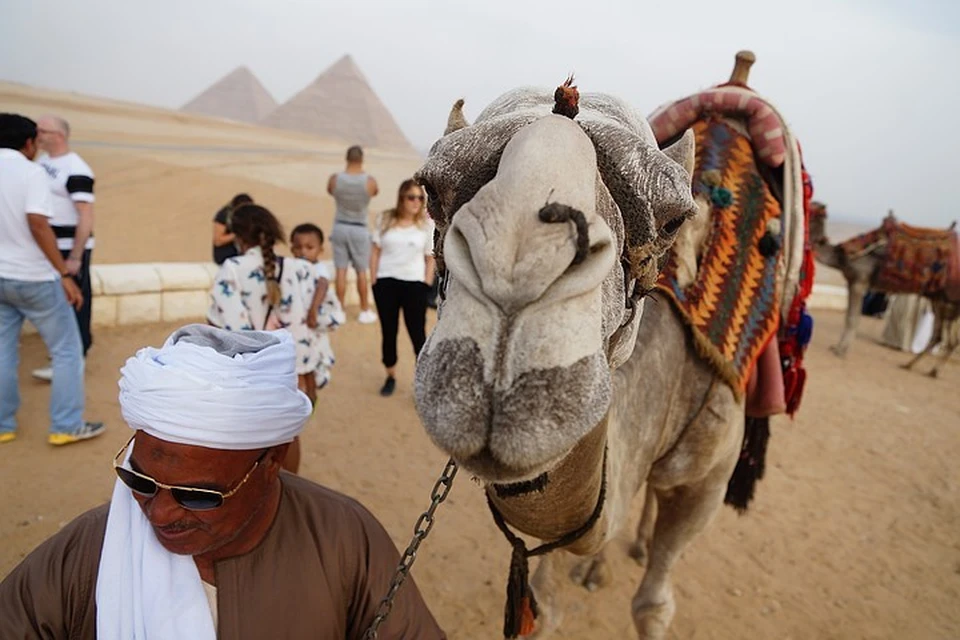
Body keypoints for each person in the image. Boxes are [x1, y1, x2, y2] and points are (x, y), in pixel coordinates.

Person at [0, 324, 446, 639]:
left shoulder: (342, 538)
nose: (159, 512)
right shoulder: (88, 550)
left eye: (197, 495)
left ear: (271, 462)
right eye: (138, 479)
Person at [0, 113, 104, 445]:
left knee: (3, 351)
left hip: (2, 275)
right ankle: (66, 425)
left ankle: (3, 424)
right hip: (34, 275)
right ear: (28, 143)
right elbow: (37, 223)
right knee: (68, 350)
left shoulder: (71, 168)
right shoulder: (31, 172)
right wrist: (63, 272)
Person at [207, 204, 322, 471]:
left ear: (238, 236)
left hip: (248, 371)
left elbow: (225, 327)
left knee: (247, 441)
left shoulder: (232, 268)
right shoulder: (298, 267)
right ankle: (289, 490)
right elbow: (317, 316)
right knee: (287, 435)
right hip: (288, 370)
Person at [30, 115, 97, 382]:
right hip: (47, 247)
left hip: (70, 249)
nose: (37, 135)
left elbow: (86, 215)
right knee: (55, 303)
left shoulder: (76, 168)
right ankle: (63, 354)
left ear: (58, 135)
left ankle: (74, 358)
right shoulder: (41, 163)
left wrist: (76, 257)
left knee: (76, 302)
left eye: (42, 130)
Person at [370, 179, 435, 397]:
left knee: (417, 333)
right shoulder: (385, 219)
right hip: (385, 282)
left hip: (414, 285)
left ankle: (424, 382)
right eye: (411, 197)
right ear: (401, 198)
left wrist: (426, 284)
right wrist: (373, 279)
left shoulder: (426, 225)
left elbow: (430, 257)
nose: (416, 202)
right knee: (389, 332)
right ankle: (390, 376)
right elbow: (376, 251)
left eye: (420, 198)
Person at [328, 145, 379, 324]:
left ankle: (340, 310)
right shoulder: (369, 181)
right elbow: (375, 192)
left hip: (340, 226)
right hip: (359, 228)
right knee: (360, 271)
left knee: (340, 271)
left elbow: (330, 190)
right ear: (362, 159)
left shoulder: (335, 180)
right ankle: (364, 310)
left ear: (347, 158)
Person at [291, 223, 344, 389]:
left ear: (320, 250)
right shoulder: (293, 268)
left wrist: (313, 309)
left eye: (309, 247)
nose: (303, 252)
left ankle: (311, 395)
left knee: (313, 361)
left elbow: (322, 285)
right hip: (299, 325)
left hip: (313, 323)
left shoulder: (319, 269)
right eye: (298, 247)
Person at [212, 192, 253, 265]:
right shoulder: (224, 215)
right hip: (226, 257)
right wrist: (237, 234)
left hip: (244, 256)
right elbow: (218, 241)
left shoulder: (249, 216)